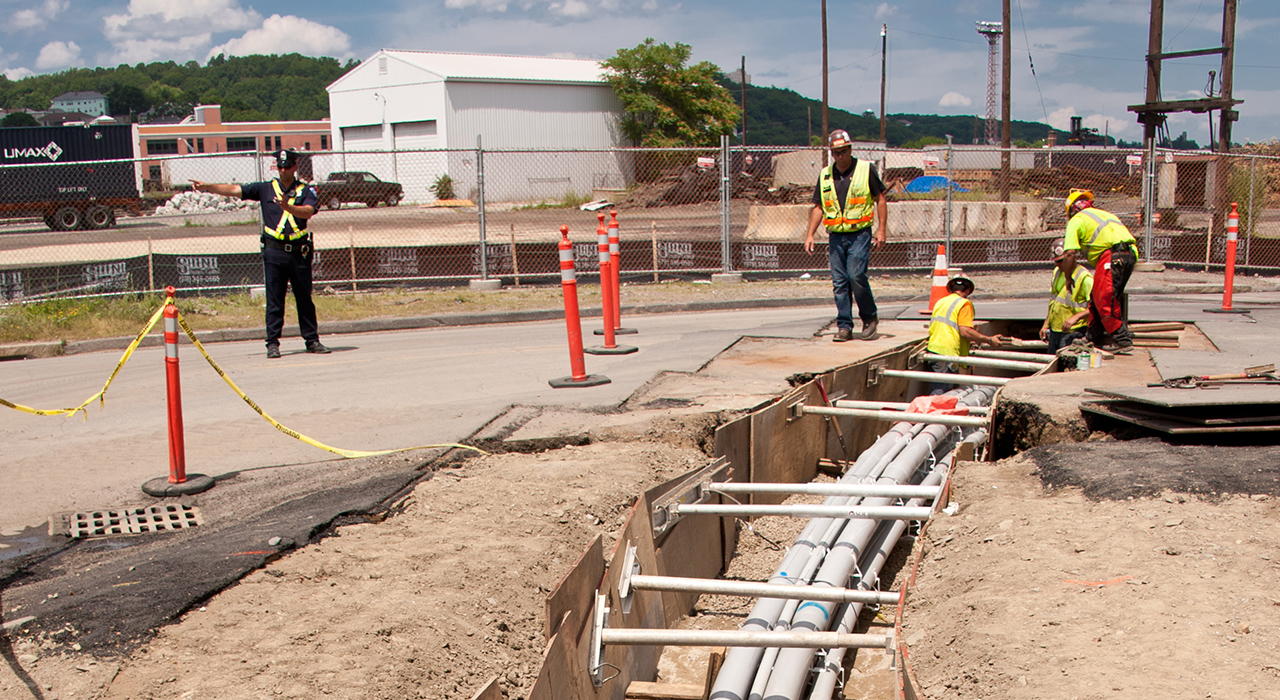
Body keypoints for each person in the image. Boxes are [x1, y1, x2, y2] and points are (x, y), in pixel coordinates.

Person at [191, 149, 329, 358]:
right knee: (274, 298)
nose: (283, 170)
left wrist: (288, 207)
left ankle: (312, 340)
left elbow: (308, 211)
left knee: (304, 298)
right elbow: (234, 190)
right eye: (280, 166)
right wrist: (208, 187)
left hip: (299, 251)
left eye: (287, 166)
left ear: (294, 168)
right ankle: (272, 343)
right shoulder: (265, 189)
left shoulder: (305, 190)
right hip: (274, 251)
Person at [804, 129, 888, 342]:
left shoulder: (865, 169)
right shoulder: (825, 174)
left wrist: (881, 230)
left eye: (844, 151)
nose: (840, 156)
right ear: (832, 154)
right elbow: (818, 207)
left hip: (859, 233)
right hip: (835, 236)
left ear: (850, 149)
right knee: (840, 281)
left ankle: (869, 318)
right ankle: (844, 325)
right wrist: (810, 234)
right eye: (836, 153)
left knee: (855, 275)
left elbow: (880, 199)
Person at [1061, 189, 1139, 352]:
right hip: (1129, 255)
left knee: (1105, 297)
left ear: (1072, 210)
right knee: (1097, 297)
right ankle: (1092, 337)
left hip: (1111, 257)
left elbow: (1069, 253)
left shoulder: (1077, 220)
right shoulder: (1106, 214)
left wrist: (1068, 278)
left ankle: (1121, 338)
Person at [926, 277, 1003, 395]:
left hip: (933, 349)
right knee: (941, 394)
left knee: (939, 390)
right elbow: (965, 331)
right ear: (967, 291)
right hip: (948, 352)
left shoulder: (941, 302)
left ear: (950, 290)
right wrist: (989, 340)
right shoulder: (964, 304)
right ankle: (935, 414)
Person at [1040, 239, 1093, 354]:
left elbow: (1097, 306)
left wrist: (1076, 317)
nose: (1058, 265)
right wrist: (1046, 324)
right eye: (1056, 262)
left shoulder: (1084, 277)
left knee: (1065, 365)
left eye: (1061, 261)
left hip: (1073, 331)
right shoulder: (1057, 272)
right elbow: (1054, 301)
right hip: (1056, 330)